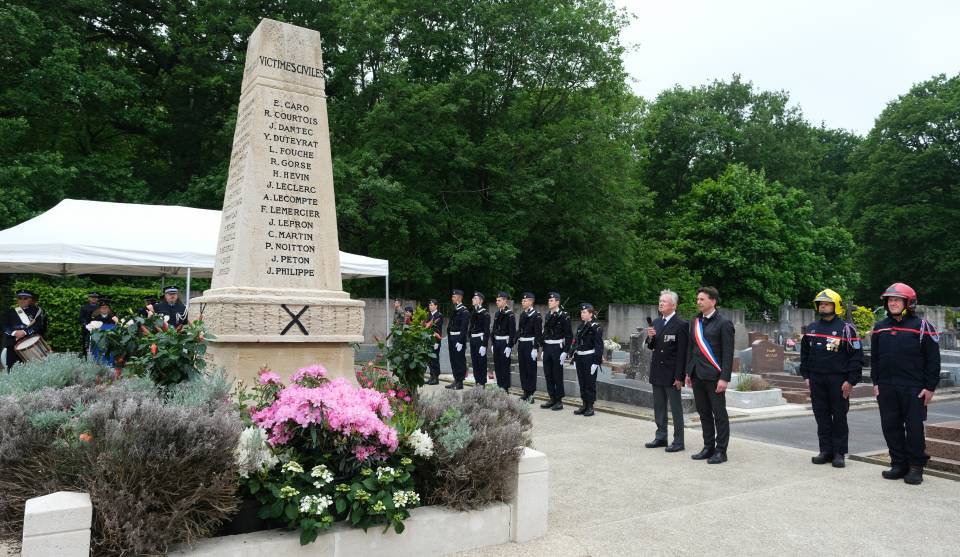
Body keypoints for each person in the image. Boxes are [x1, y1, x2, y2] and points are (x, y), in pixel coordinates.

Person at [871, 282, 941, 485]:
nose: (892, 303)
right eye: (890, 300)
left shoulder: (922, 327)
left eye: (897, 300)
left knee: (914, 429)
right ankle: (898, 464)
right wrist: (876, 383)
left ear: (909, 302)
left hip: (914, 388)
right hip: (886, 386)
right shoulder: (880, 328)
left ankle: (916, 467)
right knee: (890, 426)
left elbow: (933, 360)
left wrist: (930, 387)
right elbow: (875, 358)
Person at [799, 289, 863, 468]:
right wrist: (806, 376)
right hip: (816, 380)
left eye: (826, 303)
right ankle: (825, 450)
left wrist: (851, 380)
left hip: (838, 380)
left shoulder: (846, 329)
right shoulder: (811, 328)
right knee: (821, 416)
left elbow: (856, 357)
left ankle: (839, 453)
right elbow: (805, 354)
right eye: (820, 303)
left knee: (839, 417)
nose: (822, 306)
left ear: (836, 306)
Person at [685, 286, 735, 464]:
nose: (698, 302)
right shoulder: (696, 322)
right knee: (704, 413)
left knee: (719, 414)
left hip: (714, 377)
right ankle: (708, 447)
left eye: (702, 299)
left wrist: (724, 378)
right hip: (697, 375)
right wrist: (688, 372)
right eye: (697, 299)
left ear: (713, 301)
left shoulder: (724, 323)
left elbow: (728, 353)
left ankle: (721, 451)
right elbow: (692, 349)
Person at [645, 290, 689, 452]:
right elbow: (651, 346)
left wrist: (679, 376)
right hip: (657, 371)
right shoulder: (656, 322)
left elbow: (682, 353)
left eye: (664, 301)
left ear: (674, 305)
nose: (661, 303)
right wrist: (650, 337)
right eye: (660, 301)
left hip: (672, 374)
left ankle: (679, 441)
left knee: (675, 408)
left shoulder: (681, 324)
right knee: (659, 407)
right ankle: (661, 436)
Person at [570, 303, 603, 417]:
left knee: (590, 382)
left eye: (584, 312)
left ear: (591, 314)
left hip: (590, 357)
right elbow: (577, 343)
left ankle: (590, 406)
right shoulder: (580, 327)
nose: (582, 314)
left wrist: (596, 362)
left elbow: (599, 345)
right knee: (582, 382)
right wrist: (574, 357)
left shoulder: (595, 327)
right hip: (580, 357)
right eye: (581, 312)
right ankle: (584, 404)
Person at [540, 292, 572, 410]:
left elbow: (569, 335)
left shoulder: (564, 316)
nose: (549, 302)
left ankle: (559, 400)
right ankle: (552, 398)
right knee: (548, 374)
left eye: (552, 300)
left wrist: (565, 351)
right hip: (548, 347)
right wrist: (543, 348)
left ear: (558, 302)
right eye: (549, 300)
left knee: (557, 374)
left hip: (557, 348)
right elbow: (546, 332)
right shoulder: (548, 315)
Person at [3, 290, 48, 370]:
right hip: (13, 344)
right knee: (13, 371)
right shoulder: (10, 312)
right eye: (20, 298)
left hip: (32, 346)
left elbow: (40, 327)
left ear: (31, 299)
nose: (22, 300)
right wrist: (14, 333)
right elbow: (4, 326)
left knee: (35, 370)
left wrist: (24, 332)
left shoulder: (37, 312)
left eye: (25, 298)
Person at [516, 292, 542, 403]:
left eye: (525, 301)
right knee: (523, 369)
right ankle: (525, 392)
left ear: (531, 302)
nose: (523, 302)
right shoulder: (523, 314)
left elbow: (538, 333)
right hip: (522, 344)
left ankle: (531, 394)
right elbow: (520, 330)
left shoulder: (536, 315)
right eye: (522, 300)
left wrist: (536, 348)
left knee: (531, 369)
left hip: (530, 345)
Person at [491, 292, 517, 391]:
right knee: (497, 365)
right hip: (497, 342)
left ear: (505, 301)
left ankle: (505, 388)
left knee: (504, 366)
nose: (497, 302)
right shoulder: (497, 313)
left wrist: (509, 346)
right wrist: (493, 343)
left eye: (499, 300)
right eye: (497, 300)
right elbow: (493, 330)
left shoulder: (510, 314)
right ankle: (499, 386)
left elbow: (512, 332)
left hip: (504, 343)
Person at [445, 289, 471, 390]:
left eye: (454, 297)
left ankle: (460, 382)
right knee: (453, 359)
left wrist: (460, 341)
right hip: (452, 337)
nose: (452, 298)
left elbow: (464, 328)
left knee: (459, 360)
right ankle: (456, 379)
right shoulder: (455, 309)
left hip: (458, 338)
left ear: (459, 298)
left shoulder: (464, 311)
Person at [468, 291, 491, 387]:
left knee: (481, 362)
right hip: (473, 339)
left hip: (480, 340)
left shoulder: (485, 313)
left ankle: (482, 383)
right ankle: (477, 381)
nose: (473, 300)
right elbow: (471, 326)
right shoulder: (473, 312)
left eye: (475, 298)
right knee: (474, 362)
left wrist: (484, 344)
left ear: (480, 301)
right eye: (473, 298)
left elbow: (486, 331)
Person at [425, 299, 444, 385]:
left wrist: (436, 341)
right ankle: (431, 376)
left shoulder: (439, 315)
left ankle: (436, 378)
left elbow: (437, 329)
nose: (430, 306)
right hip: (428, 340)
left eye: (432, 305)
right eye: (429, 305)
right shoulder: (428, 315)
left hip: (435, 340)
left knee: (435, 359)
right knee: (429, 359)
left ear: (436, 306)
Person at [79, 291, 100, 358]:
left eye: (95, 297)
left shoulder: (100, 307)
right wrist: (85, 323)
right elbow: (81, 317)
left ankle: (96, 355)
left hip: (98, 328)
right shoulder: (84, 307)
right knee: (86, 342)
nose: (94, 298)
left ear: (97, 299)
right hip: (87, 328)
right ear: (89, 298)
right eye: (92, 297)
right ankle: (85, 354)